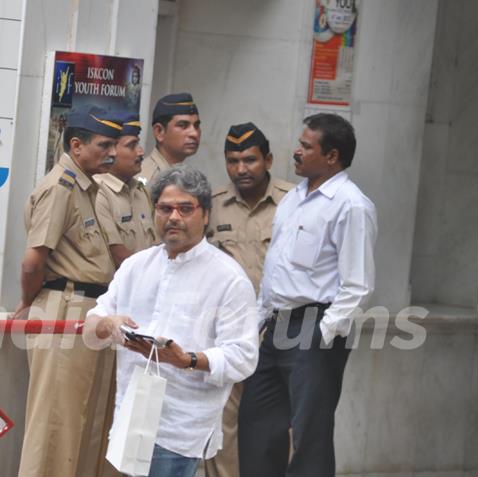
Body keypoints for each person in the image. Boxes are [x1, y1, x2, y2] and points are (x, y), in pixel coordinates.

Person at [84, 165, 260, 477]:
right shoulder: (136, 267)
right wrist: (108, 325)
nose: (174, 217)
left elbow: (244, 356)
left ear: (205, 214)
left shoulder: (228, 278)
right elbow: (93, 322)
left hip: (182, 424)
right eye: (165, 208)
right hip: (130, 415)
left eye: (185, 208)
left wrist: (187, 360)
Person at [238, 113, 377, 477]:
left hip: (315, 329)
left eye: (306, 146)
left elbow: (358, 284)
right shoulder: (294, 198)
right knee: (257, 427)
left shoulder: (351, 204)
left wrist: (323, 334)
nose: (296, 152)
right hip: (275, 327)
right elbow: (275, 273)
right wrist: (254, 325)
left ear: (331, 156)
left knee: (309, 438)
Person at [15, 106, 123, 477]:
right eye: (104, 145)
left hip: (89, 308)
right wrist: (28, 304)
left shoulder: (88, 187)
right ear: (77, 146)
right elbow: (33, 261)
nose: (112, 153)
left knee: (87, 419)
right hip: (64, 306)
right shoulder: (60, 187)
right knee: (56, 421)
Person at [205, 122, 293, 477]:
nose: (241, 169)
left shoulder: (293, 202)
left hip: (279, 333)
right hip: (226, 332)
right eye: (233, 160)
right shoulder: (211, 204)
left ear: (268, 159)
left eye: (250, 160)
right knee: (223, 422)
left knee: (277, 427)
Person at [95, 112, 156, 267]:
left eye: (138, 144)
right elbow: (117, 255)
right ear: (111, 151)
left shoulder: (140, 191)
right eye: (131, 145)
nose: (141, 152)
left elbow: (158, 247)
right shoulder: (98, 191)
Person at [139, 92, 201, 185]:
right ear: (159, 132)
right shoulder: (147, 180)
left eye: (196, 125)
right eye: (183, 125)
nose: (194, 133)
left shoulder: (185, 175)